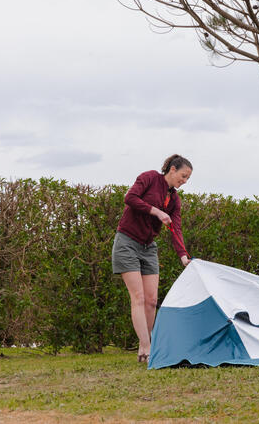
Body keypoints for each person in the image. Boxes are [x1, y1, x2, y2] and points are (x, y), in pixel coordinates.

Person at [111, 154, 193, 362]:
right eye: (183, 176)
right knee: (137, 298)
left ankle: (144, 347)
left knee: (151, 300)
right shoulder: (149, 178)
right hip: (127, 242)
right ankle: (148, 348)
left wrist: (183, 256)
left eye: (187, 179)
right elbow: (129, 198)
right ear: (172, 169)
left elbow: (176, 229)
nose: (184, 181)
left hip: (148, 248)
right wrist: (155, 211)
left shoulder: (174, 199)